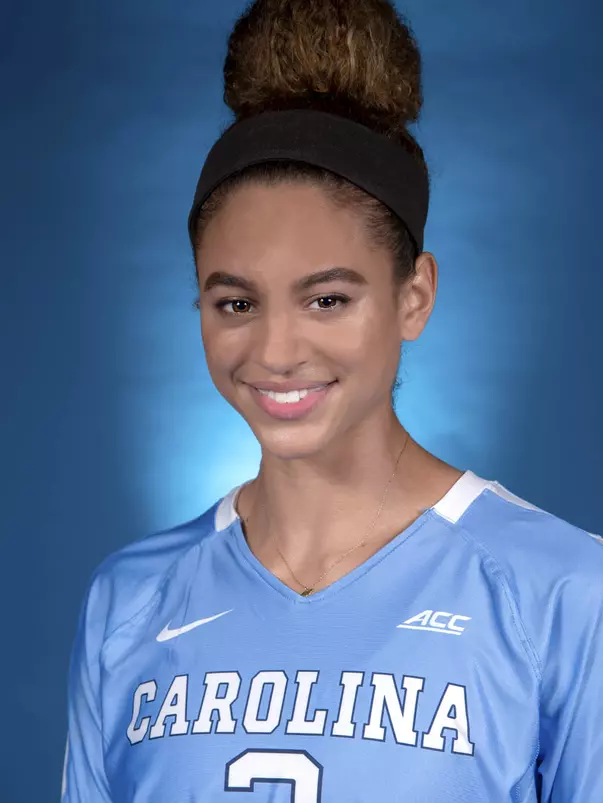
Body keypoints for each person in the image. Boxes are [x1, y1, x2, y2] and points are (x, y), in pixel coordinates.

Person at [61, 1, 603, 801]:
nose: (276, 352)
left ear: (412, 297)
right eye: (236, 303)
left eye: (327, 300)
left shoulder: (562, 594)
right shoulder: (129, 599)